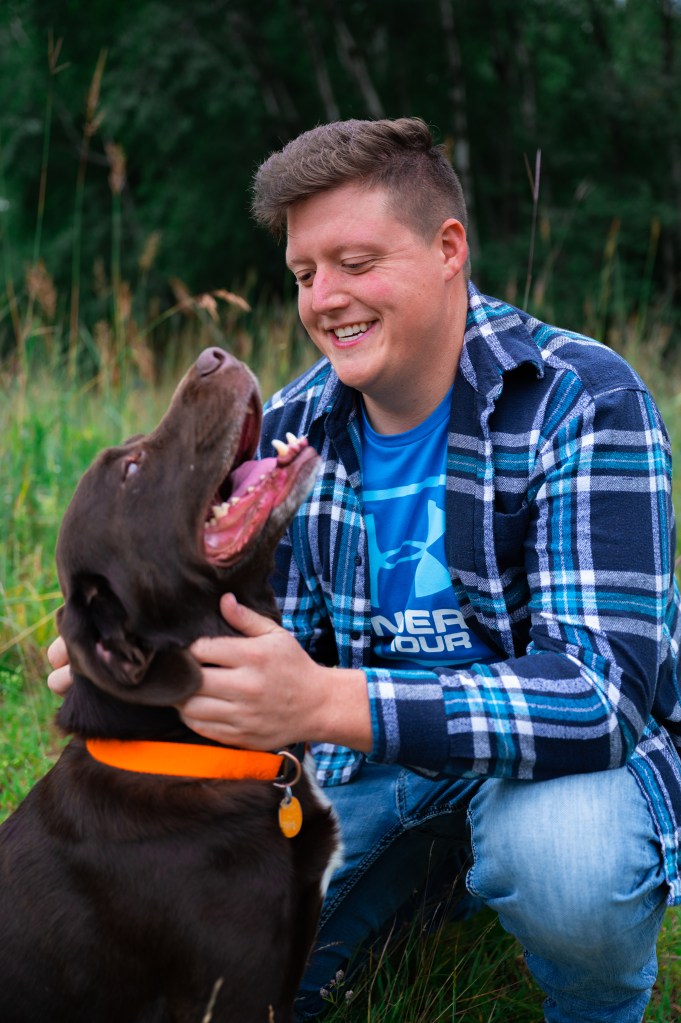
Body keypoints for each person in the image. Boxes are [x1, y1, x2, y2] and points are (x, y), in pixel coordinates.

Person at [48, 117, 681, 1023]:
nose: (324, 299)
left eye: (355, 261)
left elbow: (600, 694)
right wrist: (125, 655)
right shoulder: (298, 426)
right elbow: (245, 632)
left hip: (556, 777)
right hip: (378, 771)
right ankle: (439, 890)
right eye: (305, 274)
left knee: (562, 857)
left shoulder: (582, 395)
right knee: (237, 981)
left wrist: (323, 704)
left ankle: (594, 1004)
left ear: (448, 247)